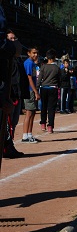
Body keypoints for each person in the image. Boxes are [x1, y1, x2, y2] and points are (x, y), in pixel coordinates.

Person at [3, 30, 27, 158]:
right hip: (8, 94)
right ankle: (6, 147)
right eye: (10, 39)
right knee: (6, 122)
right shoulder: (4, 60)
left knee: (14, 121)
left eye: (15, 39)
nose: (13, 41)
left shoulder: (17, 60)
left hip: (16, 94)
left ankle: (9, 145)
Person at [38, 49, 60, 134]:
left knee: (43, 106)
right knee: (51, 108)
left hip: (44, 88)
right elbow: (59, 79)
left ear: (47, 57)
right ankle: (50, 126)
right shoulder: (56, 68)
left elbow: (39, 79)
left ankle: (43, 123)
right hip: (53, 88)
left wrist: (37, 88)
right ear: (54, 57)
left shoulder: (43, 67)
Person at [22, 46, 41, 143]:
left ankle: (29, 134)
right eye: (33, 53)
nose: (36, 55)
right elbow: (29, 79)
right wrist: (35, 91)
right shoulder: (28, 63)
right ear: (28, 53)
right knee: (29, 113)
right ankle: (25, 136)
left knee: (33, 112)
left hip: (32, 90)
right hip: (30, 90)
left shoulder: (32, 63)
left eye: (37, 53)